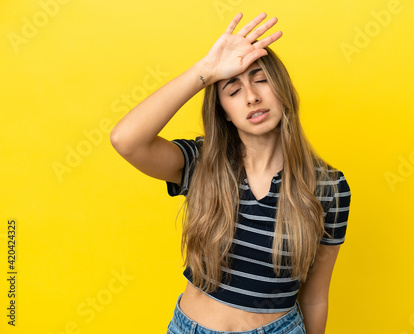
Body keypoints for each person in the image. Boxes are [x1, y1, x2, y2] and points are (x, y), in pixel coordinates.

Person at [110, 12, 351, 334]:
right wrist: (205, 72)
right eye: (233, 90)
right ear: (222, 112)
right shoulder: (202, 163)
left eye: (261, 80)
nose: (251, 96)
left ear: (283, 90)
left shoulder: (329, 187)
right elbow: (126, 141)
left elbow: (316, 297)